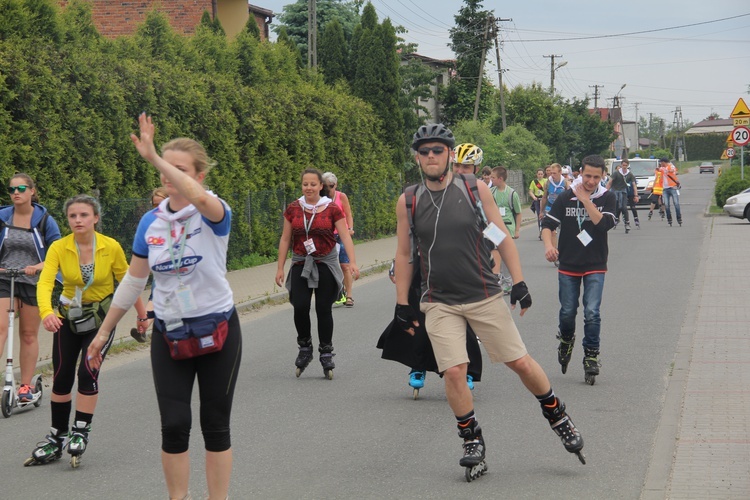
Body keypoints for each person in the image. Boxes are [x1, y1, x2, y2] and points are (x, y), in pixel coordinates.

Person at [394, 123, 584, 476]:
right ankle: (471, 437)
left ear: (450, 154)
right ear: (417, 158)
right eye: (424, 152)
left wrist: (520, 283)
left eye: (438, 150)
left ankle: (557, 414)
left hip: (483, 294)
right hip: (439, 300)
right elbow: (404, 254)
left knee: (520, 363)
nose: (431, 157)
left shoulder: (473, 189)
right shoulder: (409, 200)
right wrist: (402, 303)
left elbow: (501, 237)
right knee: (453, 371)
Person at [87, 113, 241, 499]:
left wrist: (156, 157)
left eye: (180, 170)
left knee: (215, 424)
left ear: (199, 175)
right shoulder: (150, 223)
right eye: (164, 170)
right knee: (174, 425)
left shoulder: (213, 212)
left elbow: (201, 199)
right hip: (169, 331)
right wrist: (105, 331)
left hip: (217, 329)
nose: (168, 175)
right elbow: (135, 280)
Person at [26, 194, 147, 468]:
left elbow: (129, 282)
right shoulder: (59, 247)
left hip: (101, 320)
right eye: (72, 216)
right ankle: (57, 435)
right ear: (67, 220)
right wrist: (46, 313)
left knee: (87, 373)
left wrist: (142, 314)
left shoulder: (110, 246)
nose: (78, 220)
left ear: (95, 218)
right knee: (61, 375)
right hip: (68, 317)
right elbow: (45, 283)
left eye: (83, 215)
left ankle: (81, 429)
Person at [275, 168, 360, 379]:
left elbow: (345, 236)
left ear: (321, 186)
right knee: (300, 305)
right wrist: (279, 267)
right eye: (305, 184)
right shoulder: (294, 209)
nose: (309, 188)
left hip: (325, 262)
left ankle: (326, 352)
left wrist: (353, 262)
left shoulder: (331, 209)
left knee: (323, 308)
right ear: (301, 185)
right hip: (301, 262)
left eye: (313, 184)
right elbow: (285, 239)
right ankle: (305, 347)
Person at [541, 155, 616, 385]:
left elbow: (604, 224)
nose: (591, 181)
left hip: (595, 264)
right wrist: (549, 246)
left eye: (596, 176)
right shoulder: (565, 196)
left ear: (603, 176)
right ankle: (566, 339)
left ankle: (591, 356)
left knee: (592, 312)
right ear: (579, 173)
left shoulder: (608, 197)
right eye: (587, 176)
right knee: (567, 311)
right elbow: (548, 224)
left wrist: (585, 200)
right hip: (569, 264)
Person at [378, 259, 482, 396]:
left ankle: (466, 369)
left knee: (459, 320)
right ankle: (418, 366)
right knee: (417, 319)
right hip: (421, 264)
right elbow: (406, 243)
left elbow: (489, 240)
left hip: (459, 264)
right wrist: (396, 265)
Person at [0, 174, 61, 403]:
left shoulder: (45, 220)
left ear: (32, 191)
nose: (16, 192)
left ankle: (25, 386)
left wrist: (37, 266)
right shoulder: (2, 217)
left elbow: (57, 255)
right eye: (12, 189)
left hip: (34, 282)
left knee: (27, 334)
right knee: (0, 328)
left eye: (22, 188)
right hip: (4, 278)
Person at [131, 186, 169, 342]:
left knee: (156, 298)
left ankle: (144, 326)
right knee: (155, 297)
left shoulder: (183, 221)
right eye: (155, 205)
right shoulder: (149, 223)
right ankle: (143, 326)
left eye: (162, 203)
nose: (158, 209)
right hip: (161, 275)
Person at [322, 172, 355, 308]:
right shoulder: (320, 198)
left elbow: (348, 214)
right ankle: (336, 292)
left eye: (331, 186)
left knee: (345, 266)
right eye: (326, 186)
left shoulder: (341, 197)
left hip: (341, 235)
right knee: (329, 267)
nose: (329, 189)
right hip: (327, 236)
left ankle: (349, 296)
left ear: (336, 185)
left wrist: (350, 229)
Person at [489, 166, 521, 293]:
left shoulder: (512, 193)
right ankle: (498, 279)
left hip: (507, 226)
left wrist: (517, 230)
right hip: (494, 228)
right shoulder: (491, 192)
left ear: (500, 179)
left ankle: (508, 280)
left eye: (493, 177)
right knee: (495, 253)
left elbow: (518, 213)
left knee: (506, 254)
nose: (491, 179)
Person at [539, 163, 567, 264]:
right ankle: (555, 253)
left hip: (563, 209)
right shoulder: (548, 183)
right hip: (550, 208)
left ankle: (564, 251)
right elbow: (544, 197)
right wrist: (541, 211)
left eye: (554, 173)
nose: (552, 175)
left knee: (565, 232)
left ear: (560, 172)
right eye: (551, 173)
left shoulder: (565, 183)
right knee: (552, 231)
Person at [606, 158, 638, 233]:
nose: (624, 167)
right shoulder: (616, 173)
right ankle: (616, 218)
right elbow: (610, 182)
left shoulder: (629, 174)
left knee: (624, 207)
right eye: (623, 165)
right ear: (621, 165)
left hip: (623, 192)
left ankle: (627, 223)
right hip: (615, 191)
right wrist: (605, 192)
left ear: (627, 166)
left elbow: (634, 185)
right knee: (617, 206)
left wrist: (636, 195)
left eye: (626, 165)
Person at [659, 157, 682, 227]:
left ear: (663, 162)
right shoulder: (661, 168)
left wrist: (668, 169)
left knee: (676, 203)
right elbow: (658, 170)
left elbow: (673, 170)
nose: (660, 164)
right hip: (665, 189)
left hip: (673, 187)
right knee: (666, 205)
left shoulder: (671, 166)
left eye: (661, 162)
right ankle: (669, 219)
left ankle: (679, 218)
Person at [528, 168, 546, 239]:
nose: (540, 175)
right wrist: (534, 197)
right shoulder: (534, 182)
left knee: (546, 216)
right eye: (539, 174)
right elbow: (530, 191)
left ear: (543, 174)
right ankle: (540, 232)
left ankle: (545, 231)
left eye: (541, 174)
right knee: (539, 216)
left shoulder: (546, 181)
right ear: (537, 174)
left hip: (545, 200)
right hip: (538, 201)